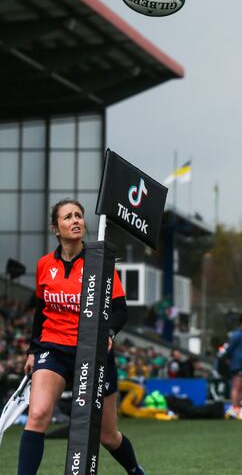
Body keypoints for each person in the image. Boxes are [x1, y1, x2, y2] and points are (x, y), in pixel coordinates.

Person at [18, 199, 145, 475]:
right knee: (37, 415)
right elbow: (41, 311)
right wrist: (32, 350)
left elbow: (120, 310)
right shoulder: (44, 265)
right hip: (53, 347)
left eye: (79, 215)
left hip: (92, 351)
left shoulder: (100, 263)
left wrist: (108, 333)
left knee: (108, 435)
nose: (75, 221)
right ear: (56, 228)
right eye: (68, 217)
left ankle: (135, 470)